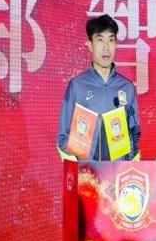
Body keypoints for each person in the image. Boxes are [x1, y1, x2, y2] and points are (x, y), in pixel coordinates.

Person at [57, 14, 141, 161]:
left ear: (116, 44)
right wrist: (83, 160)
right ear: (90, 45)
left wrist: (125, 159)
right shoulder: (77, 86)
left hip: (118, 171)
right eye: (100, 40)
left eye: (111, 40)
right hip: (87, 172)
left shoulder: (127, 88)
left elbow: (134, 133)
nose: (106, 47)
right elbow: (63, 137)